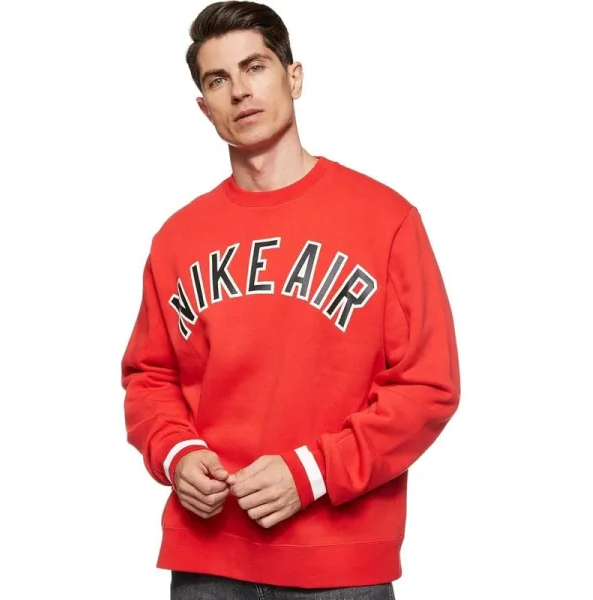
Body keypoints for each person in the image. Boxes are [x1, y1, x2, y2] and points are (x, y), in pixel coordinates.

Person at [120, 1, 461, 598]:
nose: (239, 91)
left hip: (339, 566)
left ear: (294, 77)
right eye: (217, 80)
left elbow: (427, 387)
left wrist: (312, 472)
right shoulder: (177, 238)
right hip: (208, 562)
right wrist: (176, 453)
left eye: (255, 67)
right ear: (204, 107)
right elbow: (150, 377)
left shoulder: (385, 220)